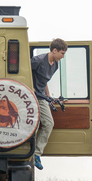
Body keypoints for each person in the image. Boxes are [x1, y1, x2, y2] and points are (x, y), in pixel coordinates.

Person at [30, 38, 68, 169]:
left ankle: (36, 153)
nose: (63, 56)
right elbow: (22, 71)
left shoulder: (55, 65)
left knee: (49, 123)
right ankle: (28, 153)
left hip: (41, 97)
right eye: (62, 53)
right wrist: (30, 86)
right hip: (29, 96)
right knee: (33, 126)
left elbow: (45, 81)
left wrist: (48, 96)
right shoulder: (38, 61)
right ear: (55, 50)